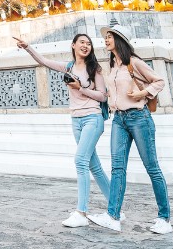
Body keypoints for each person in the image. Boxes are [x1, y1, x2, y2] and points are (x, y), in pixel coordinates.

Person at [13, 34, 112, 228]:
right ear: (73, 45)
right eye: (82, 42)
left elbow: (102, 95)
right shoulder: (68, 67)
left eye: (89, 43)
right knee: (94, 167)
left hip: (93, 118)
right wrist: (27, 47)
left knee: (80, 161)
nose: (86, 46)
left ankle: (81, 213)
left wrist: (80, 87)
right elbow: (44, 61)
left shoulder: (95, 69)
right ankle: (115, 206)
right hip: (76, 120)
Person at [87, 21, 172, 234]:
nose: (106, 40)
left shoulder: (133, 62)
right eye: (105, 37)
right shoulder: (112, 67)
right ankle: (113, 215)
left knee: (152, 168)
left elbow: (159, 81)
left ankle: (164, 218)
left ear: (120, 40)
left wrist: (142, 94)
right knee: (117, 168)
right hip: (119, 120)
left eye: (110, 36)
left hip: (139, 117)